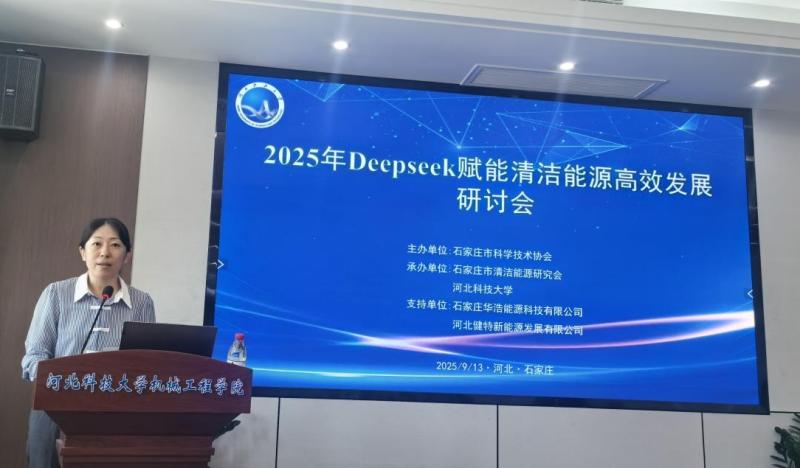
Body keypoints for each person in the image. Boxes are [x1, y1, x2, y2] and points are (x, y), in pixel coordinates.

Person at [21, 217, 156, 468]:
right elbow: (34, 355)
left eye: (115, 245)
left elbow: (146, 364)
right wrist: (60, 380)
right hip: (55, 411)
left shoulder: (142, 303)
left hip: (115, 414)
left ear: (127, 256)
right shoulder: (56, 294)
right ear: (83, 252)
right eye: (96, 244)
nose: (105, 252)